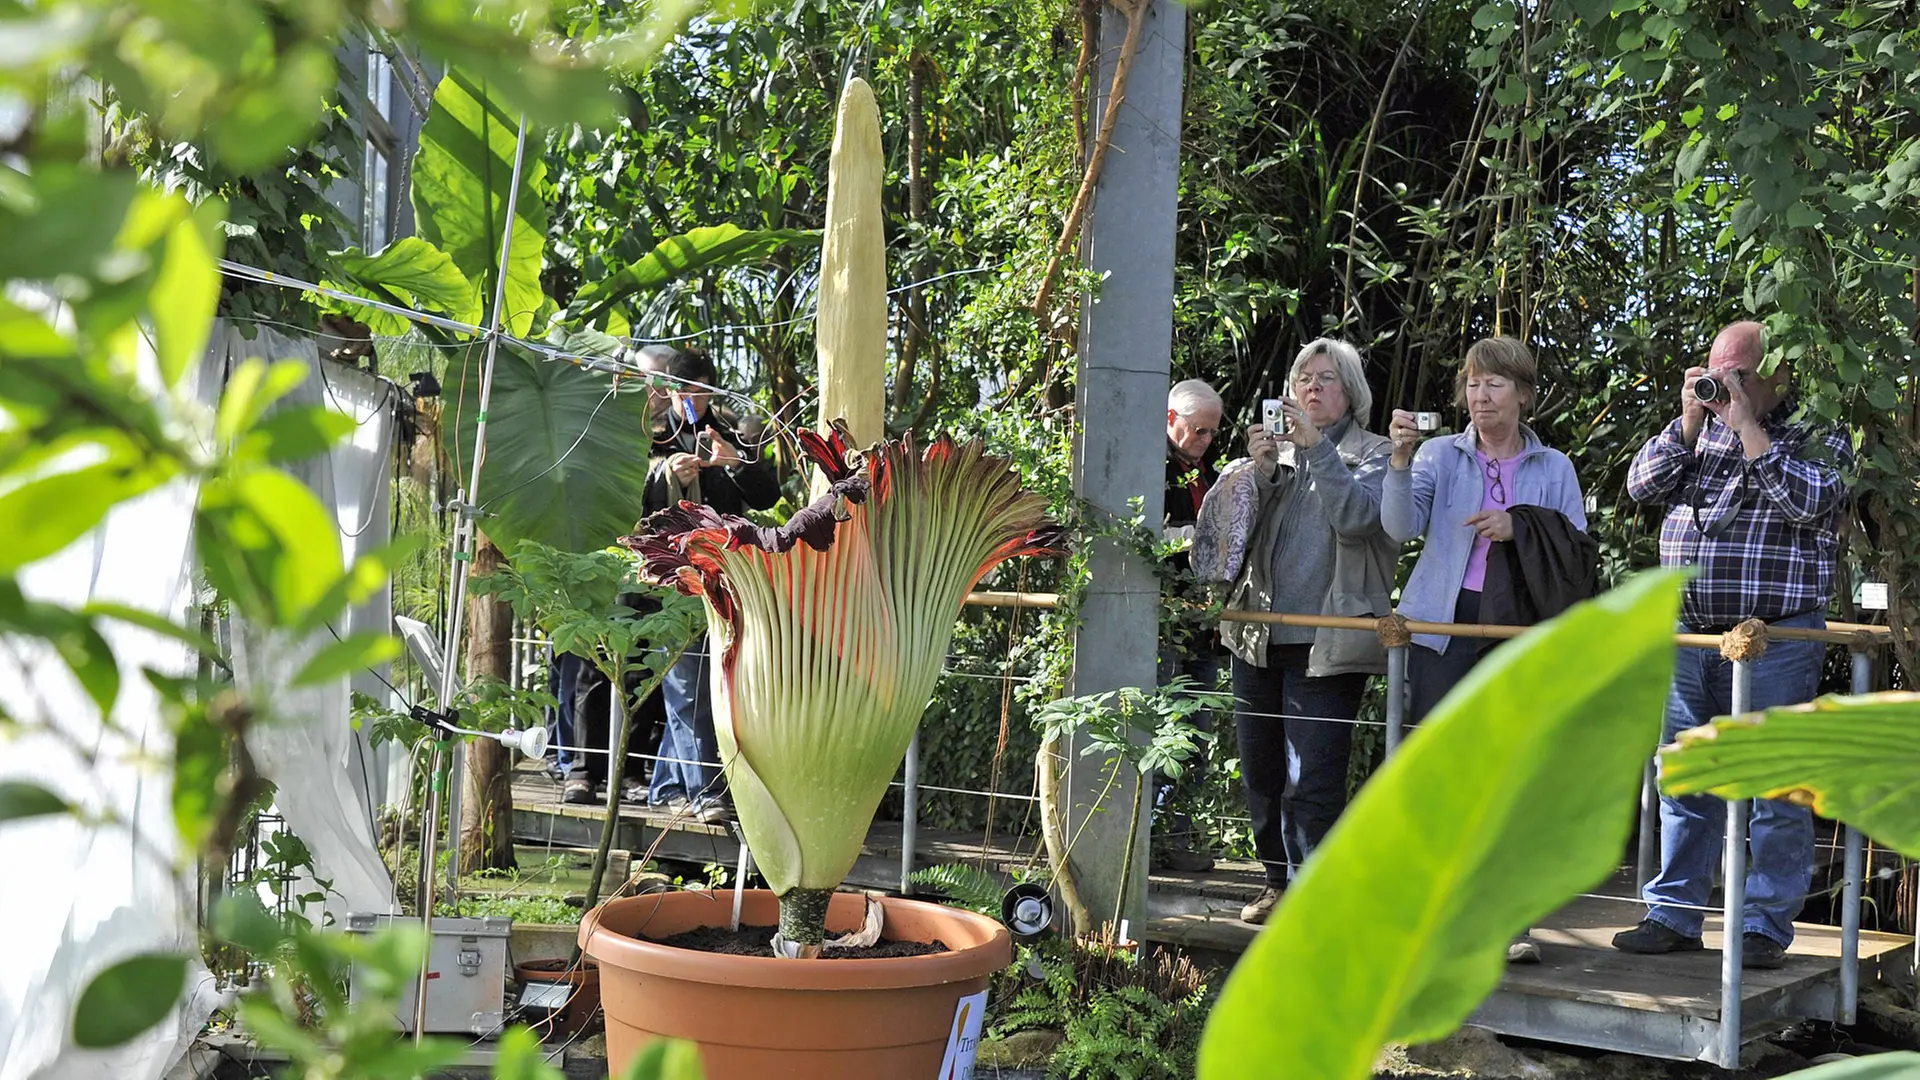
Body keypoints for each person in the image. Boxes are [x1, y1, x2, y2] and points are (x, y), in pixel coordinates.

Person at [1612, 321, 1852, 970]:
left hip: (1775, 642)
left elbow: (1809, 502)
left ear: (1779, 373)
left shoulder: (1820, 432)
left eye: (1740, 374)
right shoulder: (1702, 431)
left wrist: (1748, 429)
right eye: (1720, 372)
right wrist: (1690, 419)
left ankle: (1762, 928)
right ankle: (1674, 915)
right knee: (1684, 778)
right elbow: (1639, 485)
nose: (1728, 386)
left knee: (1774, 790)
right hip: (1691, 641)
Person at [1382, 335, 1587, 963]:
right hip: (1444, 625)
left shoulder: (1553, 467)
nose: (1480, 395)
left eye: (1494, 384)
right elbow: (1398, 527)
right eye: (1472, 384)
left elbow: (1577, 554)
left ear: (1523, 395)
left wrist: (1518, 524)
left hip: (1517, 630)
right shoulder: (1440, 455)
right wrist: (1397, 459)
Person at [1209, 339, 1396, 926]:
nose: (1311, 388)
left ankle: (1317, 894)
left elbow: (1362, 519)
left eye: (1326, 379)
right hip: (1256, 635)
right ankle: (1275, 884)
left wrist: (1316, 451)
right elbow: (1231, 540)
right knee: (1262, 769)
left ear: (1352, 393)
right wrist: (1258, 475)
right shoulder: (1277, 457)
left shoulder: (1377, 453)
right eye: (1303, 379)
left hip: (1329, 642)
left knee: (1311, 777)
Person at [640, 347, 780, 822]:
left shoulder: (733, 430)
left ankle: (667, 786)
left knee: (711, 685)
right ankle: (705, 794)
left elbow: (767, 495)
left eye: (702, 390)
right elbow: (629, 496)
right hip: (675, 576)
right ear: (672, 390)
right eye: (686, 390)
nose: (694, 400)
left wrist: (735, 461)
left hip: (727, 576)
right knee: (686, 686)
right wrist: (664, 475)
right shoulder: (652, 434)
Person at [560, 345, 680, 805]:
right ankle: (582, 769)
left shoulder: (680, 434)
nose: (655, 391)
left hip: (656, 567)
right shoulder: (602, 425)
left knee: (645, 665)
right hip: (604, 561)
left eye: (664, 381)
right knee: (597, 664)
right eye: (647, 379)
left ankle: (628, 769)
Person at [1152, 379, 1227, 873]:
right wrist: (1196, 537)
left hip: (1202, 626)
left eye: (1212, 432)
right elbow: (1144, 536)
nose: (1204, 439)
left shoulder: (1210, 472)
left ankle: (1177, 838)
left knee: (1194, 737)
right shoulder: (1149, 467)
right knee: (1167, 736)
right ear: (1170, 420)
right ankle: (1156, 842)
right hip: (1162, 626)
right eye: (1198, 430)